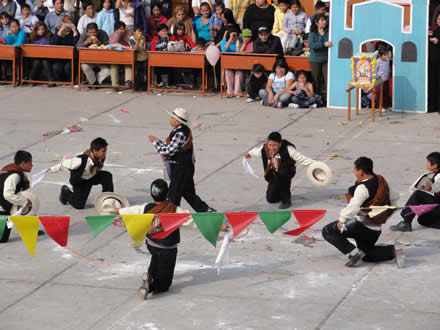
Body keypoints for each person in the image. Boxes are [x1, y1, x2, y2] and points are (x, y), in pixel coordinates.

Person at [112, 179, 189, 299]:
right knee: (165, 284)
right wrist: (220, 227)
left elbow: (131, 210)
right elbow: (191, 220)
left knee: (156, 258)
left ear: (151, 194)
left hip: (151, 244)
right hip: (168, 247)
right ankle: (151, 286)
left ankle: (150, 276)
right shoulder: (174, 210)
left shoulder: (146, 207)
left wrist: (117, 210)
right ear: (167, 193)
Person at [322, 157, 404, 268]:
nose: (354, 172)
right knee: (367, 255)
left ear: (360, 171)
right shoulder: (382, 181)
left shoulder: (362, 188)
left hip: (360, 226)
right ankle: (393, 251)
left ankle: (354, 253)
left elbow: (353, 207)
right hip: (375, 230)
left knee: (328, 231)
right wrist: (383, 214)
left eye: (355, 169)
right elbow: (395, 197)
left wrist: (342, 219)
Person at [148, 108, 216, 213]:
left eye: (172, 118)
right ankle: (206, 210)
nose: (170, 119)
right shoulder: (180, 130)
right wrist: (159, 142)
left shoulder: (181, 133)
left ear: (178, 121)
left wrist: (155, 142)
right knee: (188, 193)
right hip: (184, 167)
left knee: (173, 195)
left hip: (181, 168)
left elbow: (168, 151)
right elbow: (171, 147)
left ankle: (170, 216)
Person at [244, 131, 314, 209]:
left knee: (282, 176)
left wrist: (317, 166)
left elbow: (303, 159)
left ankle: (286, 199)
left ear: (280, 144)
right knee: (271, 199)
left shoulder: (288, 150)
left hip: (286, 172)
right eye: (270, 145)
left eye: (275, 145)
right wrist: (249, 153)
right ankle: (280, 193)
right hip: (273, 173)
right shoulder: (264, 149)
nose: (272, 148)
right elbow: (256, 151)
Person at [49, 137, 114, 210]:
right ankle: (65, 192)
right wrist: (52, 169)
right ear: (95, 151)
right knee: (79, 205)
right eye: (103, 151)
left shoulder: (99, 158)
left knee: (107, 176)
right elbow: (65, 164)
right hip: (80, 181)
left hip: (91, 176)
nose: (105, 153)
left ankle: (107, 200)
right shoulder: (81, 159)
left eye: (105, 151)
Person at [390, 152, 440, 232]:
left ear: (435, 165)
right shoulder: (436, 175)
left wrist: (430, 187)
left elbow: (437, 186)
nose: (426, 164)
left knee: (418, 195)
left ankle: (406, 222)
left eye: (428, 162)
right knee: (422, 219)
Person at [0, 150, 33, 243]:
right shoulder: (14, 175)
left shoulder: (14, 169)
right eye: (30, 162)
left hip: (5, 204)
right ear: (23, 164)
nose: (32, 165)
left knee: (29, 203)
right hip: (2, 207)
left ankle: (30, 229)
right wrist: (25, 202)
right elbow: (7, 194)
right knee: (2, 239)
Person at [77, 22, 110, 88]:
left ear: (97, 31)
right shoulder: (84, 35)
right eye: (90, 33)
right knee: (84, 66)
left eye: (94, 32)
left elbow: (108, 46)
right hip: (88, 60)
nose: (92, 34)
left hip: (101, 60)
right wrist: (86, 42)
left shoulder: (103, 33)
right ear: (87, 32)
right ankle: (94, 83)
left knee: (108, 71)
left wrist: (100, 43)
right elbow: (77, 47)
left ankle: (93, 82)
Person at [308, 14, 332, 98]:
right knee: (316, 80)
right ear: (316, 22)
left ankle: (328, 98)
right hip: (315, 60)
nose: (324, 22)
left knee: (328, 79)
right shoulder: (312, 33)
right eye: (322, 20)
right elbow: (311, 45)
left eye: (325, 20)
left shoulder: (329, 32)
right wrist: (323, 44)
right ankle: (317, 97)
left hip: (326, 59)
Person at [51, 15, 78, 83]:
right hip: (60, 56)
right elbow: (54, 43)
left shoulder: (74, 32)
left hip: (70, 57)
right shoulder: (58, 30)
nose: (68, 26)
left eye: (70, 23)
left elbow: (75, 43)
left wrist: (74, 31)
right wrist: (61, 30)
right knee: (56, 67)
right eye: (66, 23)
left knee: (68, 67)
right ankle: (62, 80)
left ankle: (71, 80)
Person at [109, 21, 132, 90]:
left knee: (128, 64)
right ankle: (115, 85)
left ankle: (128, 81)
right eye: (121, 29)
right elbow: (113, 44)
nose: (123, 31)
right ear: (116, 29)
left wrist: (126, 33)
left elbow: (129, 42)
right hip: (115, 56)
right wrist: (118, 33)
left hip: (125, 55)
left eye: (123, 29)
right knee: (113, 65)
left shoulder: (126, 34)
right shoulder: (113, 35)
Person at [221, 27, 243, 96]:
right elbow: (224, 50)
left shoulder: (239, 40)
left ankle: (237, 91)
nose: (234, 37)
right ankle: (229, 91)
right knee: (228, 71)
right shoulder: (224, 41)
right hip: (228, 63)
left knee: (239, 73)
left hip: (239, 62)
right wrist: (230, 38)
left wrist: (237, 39)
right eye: (233, 36)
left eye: (236, 36)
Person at [129, 24, 147, 91]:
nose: (140, 33)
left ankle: (144, 86)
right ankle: (136, 86)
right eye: (138, 31)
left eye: (141, 31)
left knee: (144, 73)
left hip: (143, 58)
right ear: (134, 32)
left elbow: (145, 49)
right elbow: (135, 49)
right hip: (136, 59)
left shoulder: (143, 38)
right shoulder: (131, 39)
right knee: (136, 73)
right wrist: (138, 40)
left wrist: (144, 41)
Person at [428, 12, 440, 112]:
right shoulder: (434, 30)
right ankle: (432, 106)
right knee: (432, 83)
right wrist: (429, 36)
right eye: (438, 19)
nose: (439, 20)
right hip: (432, 62)